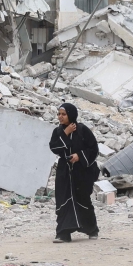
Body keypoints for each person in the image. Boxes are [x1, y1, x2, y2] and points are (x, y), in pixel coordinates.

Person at [49, 103, 100, 243]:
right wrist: (66, 133)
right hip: (64, 172)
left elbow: (94, 149)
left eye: (63, 114)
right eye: (59, 114)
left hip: (82, 172)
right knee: (64, 200)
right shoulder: (58, 131)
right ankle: (63, 234)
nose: (60, 117)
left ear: (71, 115)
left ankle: (91, 229)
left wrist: (79, 156)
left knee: (82, 200)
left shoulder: (82, 130)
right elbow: (54, 147)